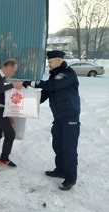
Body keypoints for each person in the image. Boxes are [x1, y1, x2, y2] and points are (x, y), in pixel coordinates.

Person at [23, 50, 81, 191]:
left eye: (50, 61)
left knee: (69, 148)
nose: (48, 64)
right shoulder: (54, 76)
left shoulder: (67, 73)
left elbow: (52, 86)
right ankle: (60, 170)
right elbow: (45, 94)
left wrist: (31, 82)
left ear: (59, 60)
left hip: (70, 117)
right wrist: (25, 103)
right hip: (59, 117)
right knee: (58, 145)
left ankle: (70, 178)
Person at [0, 59, 23, 167]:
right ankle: (4, 158)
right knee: (10, 133)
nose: (13, 73)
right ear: (7, 67)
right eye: (13, 70)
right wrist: (12, 85)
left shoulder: (1, 77)